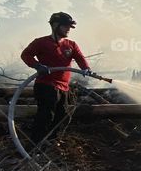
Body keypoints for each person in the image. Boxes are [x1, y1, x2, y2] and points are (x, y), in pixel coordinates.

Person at [20, 12, 91, 145]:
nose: (68, 29)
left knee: (62, 116)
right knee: (46, 116)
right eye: (65, 26)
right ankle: (36, 144)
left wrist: (85, 68)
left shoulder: (71, 45)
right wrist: (37, 66)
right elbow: (26, 55)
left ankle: (52, 142)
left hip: (63, 87)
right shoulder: (41, 42)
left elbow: (80, 58)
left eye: (70, 26)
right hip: (46, 85)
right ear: (55, 25)